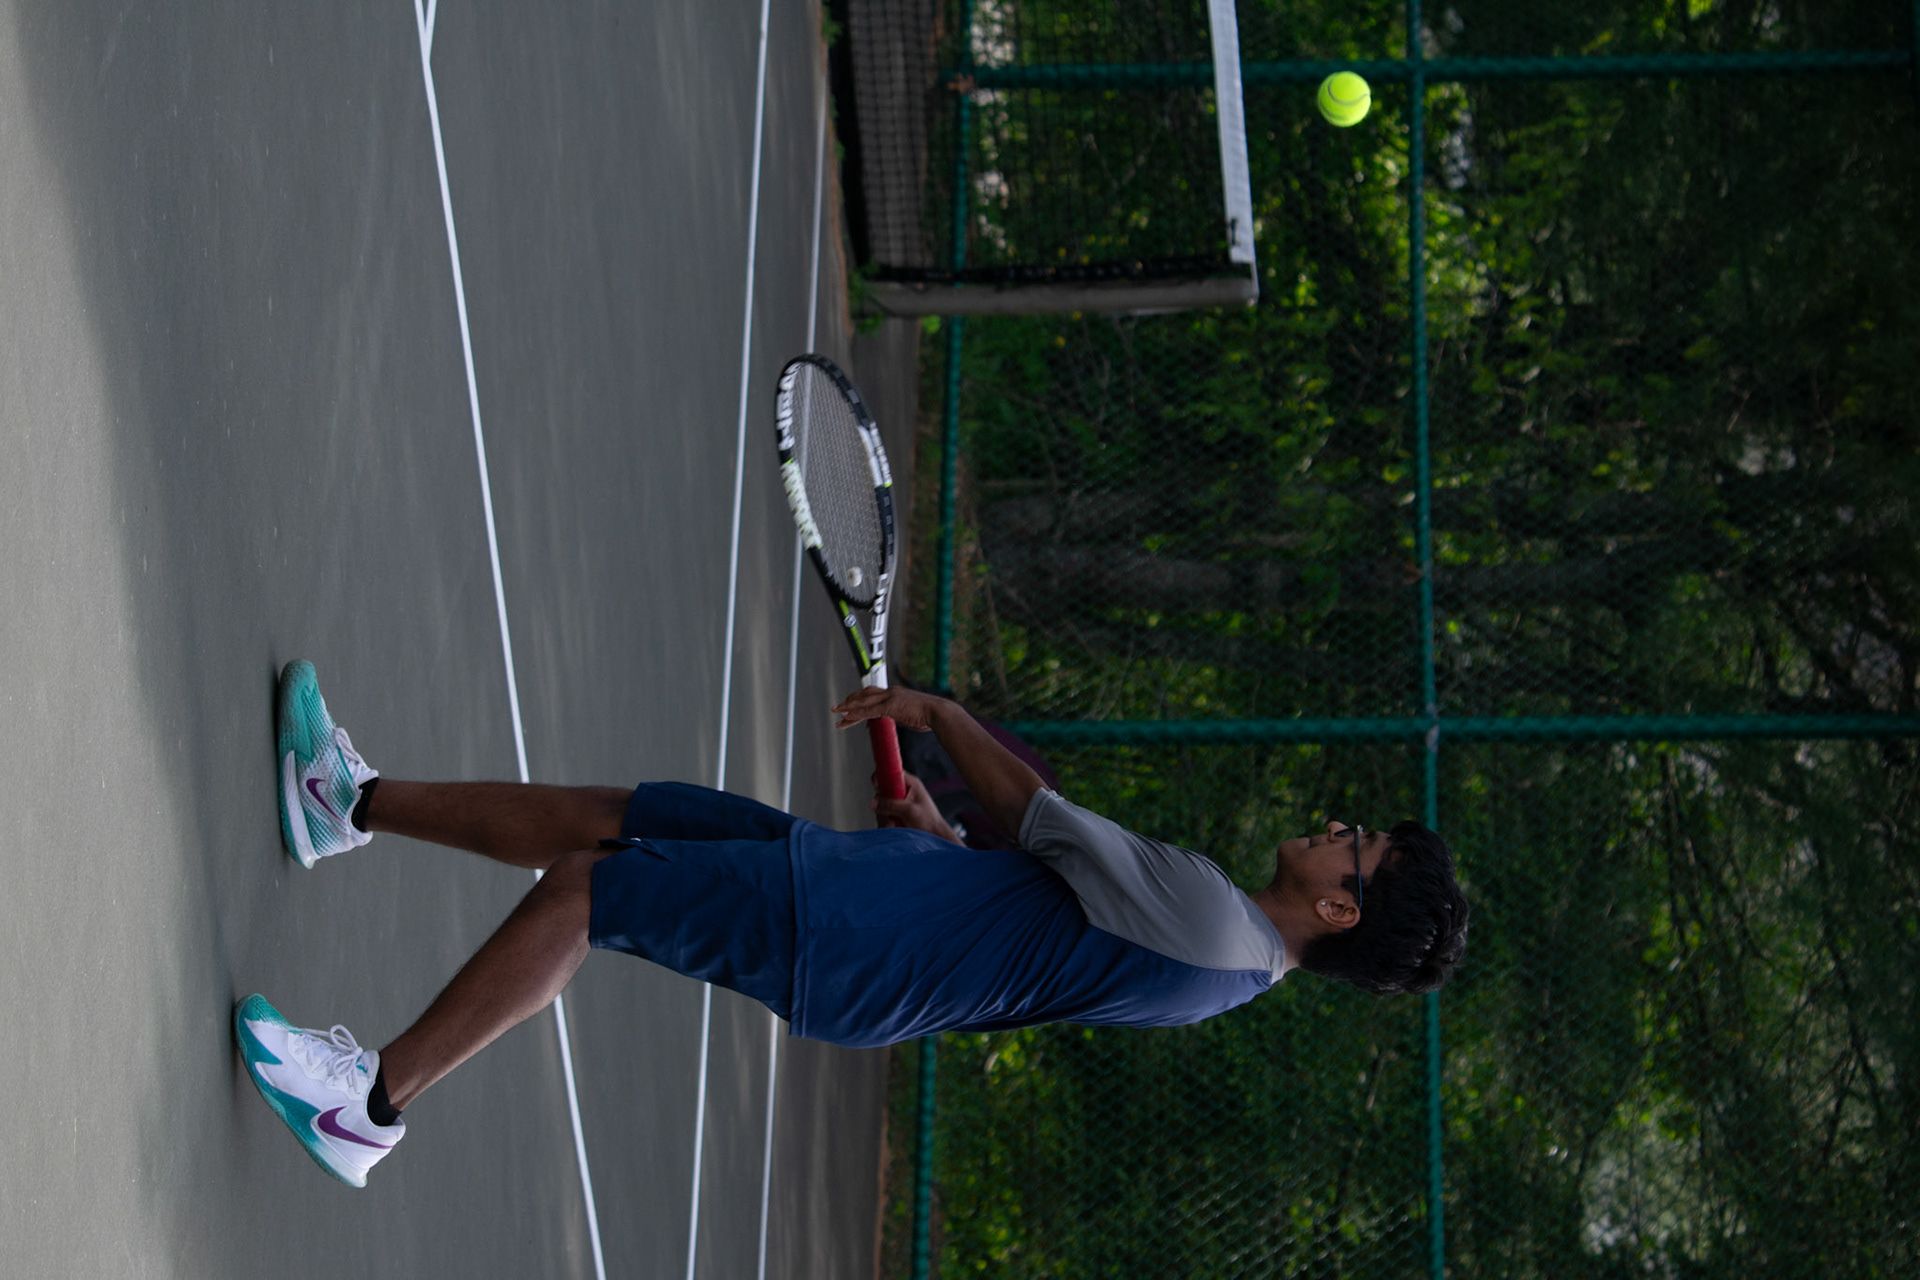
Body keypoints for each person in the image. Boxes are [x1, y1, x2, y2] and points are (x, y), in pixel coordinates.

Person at [239, 661, 1469, 1187]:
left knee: (587, 889)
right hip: (886, 901)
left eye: (1353, 842)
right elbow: (1047, 929)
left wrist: (939, 712)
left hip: (858, 934)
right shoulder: (1229, 959)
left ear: (1341, 904)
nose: (1335, 826)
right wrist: (943, 845)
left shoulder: (1214, 917)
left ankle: (369, 1104)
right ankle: (347, 799)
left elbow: (1036, 813)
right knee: (622, 815)